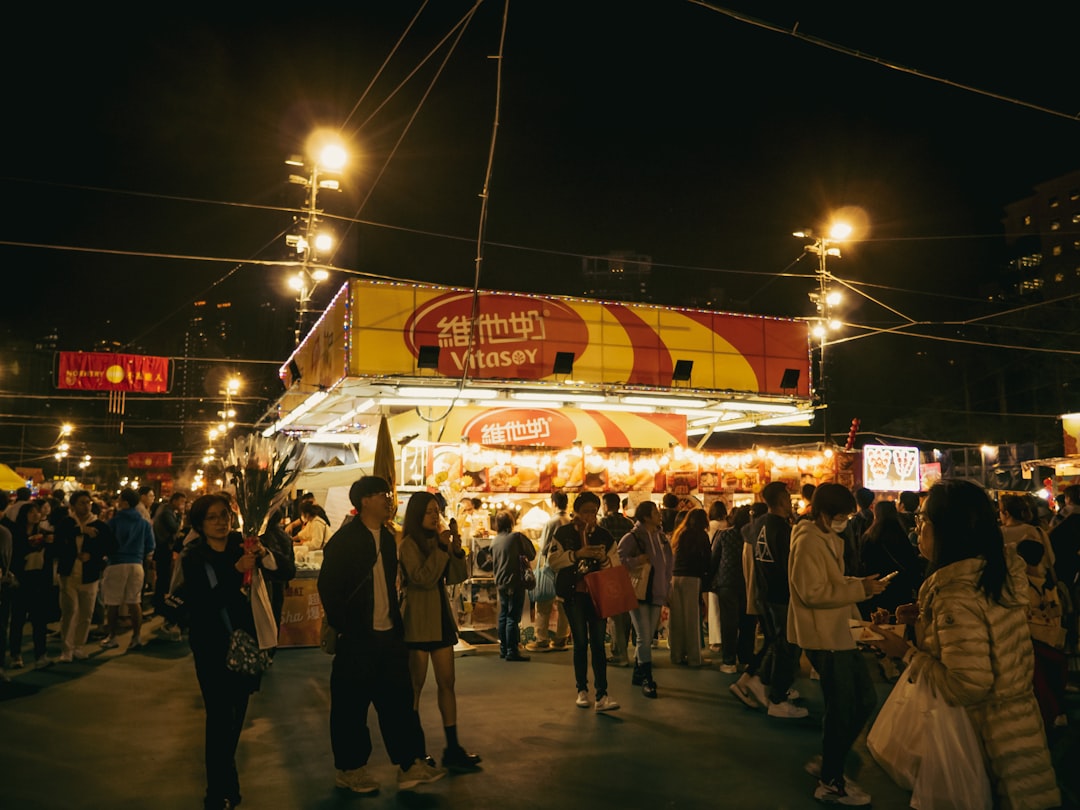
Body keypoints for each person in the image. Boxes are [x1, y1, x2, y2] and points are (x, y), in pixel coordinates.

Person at [871, 479, 1060, 810]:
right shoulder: (993, 572)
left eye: (924, 521)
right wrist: (925, 618)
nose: (919, 529)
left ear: (947, 529)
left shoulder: (956, 592)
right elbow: (984, 631)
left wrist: (905, 653)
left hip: (982, 742)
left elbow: (967, 686)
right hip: (1018, 730)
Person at [318, 476, 446, 795]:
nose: (388, 500)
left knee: (399, 703)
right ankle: (350, 770)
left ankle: (409, 764)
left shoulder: (389, 539)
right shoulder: (345, 540)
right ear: (364, 501)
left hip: (389, 635)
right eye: (382, 495)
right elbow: (328, 587)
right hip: (357, 638)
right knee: (351, 707)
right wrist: (346, 624)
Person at [176, 492, 279, 810]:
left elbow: (281, 570)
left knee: (235, 719)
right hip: (211, 647)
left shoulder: (242, 543)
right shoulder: (194, 556)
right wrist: (236, 570)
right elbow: (204, 603)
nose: (221, 521)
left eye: (225, 515)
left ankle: (225, 784)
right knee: (220, 718)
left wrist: (262, 553)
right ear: (200, 524)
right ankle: (218, 792)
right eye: (213, 517)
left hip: (246, 645)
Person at [788, 483, 886, 807]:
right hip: (824, 638)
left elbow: (832, 583)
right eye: (840, 515)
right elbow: (812, 594)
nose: (844, 521)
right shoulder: (807, 543)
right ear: (822, 513)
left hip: (840, 633)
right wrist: (860, 590)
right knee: (845, 705)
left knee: (858, 701)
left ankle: (831, 761)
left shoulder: (828, 538)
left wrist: (862, 587)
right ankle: (830, 779)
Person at [398, 490, 480, 772]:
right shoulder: (408, 544)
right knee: (414, 689)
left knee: (448, 684)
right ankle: (414, 750)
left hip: (440, 619)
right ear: (417, 514)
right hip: (418, 622)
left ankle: (452, 746)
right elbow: (422, 578)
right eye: (430, 511)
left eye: (437, 511)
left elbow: (456, 577)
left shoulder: (438, 541)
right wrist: (441, 551)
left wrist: (455, 551)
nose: (435, 516)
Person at [548, 491, 621, 711]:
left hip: (597, 594)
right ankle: (582, 690)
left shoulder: (604, 535)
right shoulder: (563, 533)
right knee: (580, 642)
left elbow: (616, 565)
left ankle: (602, 694)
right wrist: (577, 554)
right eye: (586, 511)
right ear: (577, 512)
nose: (590, 515)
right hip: (573, 594)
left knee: (599, 643)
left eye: (593, 511)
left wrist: (603, 559)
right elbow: (552, 560)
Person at [743, 481, 805, 718]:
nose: (790, 503)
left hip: (764, 593)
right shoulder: (782, 529)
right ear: (781, 501)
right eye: (788, 499)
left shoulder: (758, 525)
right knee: (787, 646)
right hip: (782, 594)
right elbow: (791, 566)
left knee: (777, 642)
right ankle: (775, 696)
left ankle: (762, 683)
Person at [618, 500, 673, 699]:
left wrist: (667, 587)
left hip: (657, 592)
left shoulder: (661, 537)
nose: (659, 514)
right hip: (638, 592)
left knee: (648, 636)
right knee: (643, 635)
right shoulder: (632, 537)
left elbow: (668, 563)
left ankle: (638, 671)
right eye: (655, 512)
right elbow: (618, 560)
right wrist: (636, 561)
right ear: (646, 516)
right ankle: (647, 678)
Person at [53, 490, 114, 662]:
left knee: (86, 613)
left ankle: (79, 646)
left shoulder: (100, 525)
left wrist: (92, 556)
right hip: (68, 574)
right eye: (82, 502)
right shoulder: (66, 523)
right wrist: (81, 530)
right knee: (69, 611)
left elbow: (110, 546)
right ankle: (66, 649)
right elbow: (58, 542)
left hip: (90, 575)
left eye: (88, 502)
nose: (86, 506)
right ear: (72, 505)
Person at [1016, 539, 1068, 731]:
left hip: (1035, 638)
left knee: (1041, 679)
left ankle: (1051, 714)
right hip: (1052, 638)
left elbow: (1025, 613)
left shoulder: (1023, 585)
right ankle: (1057, 712)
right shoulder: (1048, 582)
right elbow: (1057, 610)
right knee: (1052, 675)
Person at [101, 488, 155, 652]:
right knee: (135, 601)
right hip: (137, 564)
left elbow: (106, 542)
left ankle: (112, 637)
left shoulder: (115, 522)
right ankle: (136, 637)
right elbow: (150, 546)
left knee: (113, 603)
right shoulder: (144, 523)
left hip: (116, 563)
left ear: (125, 502)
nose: (117, 501)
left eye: (119, 499)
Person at [8, 502, 55, 668]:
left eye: (37, 511)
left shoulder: (44, 533)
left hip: (39, 580)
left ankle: (41, 655)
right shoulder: (16, 533)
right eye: (31, 512)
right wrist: (31, 544)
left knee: (39, 620)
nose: (36, 514)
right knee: (18, 619)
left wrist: (47, 542)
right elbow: (14, 555)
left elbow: (51, 555)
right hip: (21, 580)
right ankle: (15, 654)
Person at [856, 500, 921, 617]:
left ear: (876, 514)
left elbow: (863, 561)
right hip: (900, 586)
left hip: (878, 586)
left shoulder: (869, 536)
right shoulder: (900, 534)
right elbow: (910, 562)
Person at [711, 505, 755, 674]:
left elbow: (714, 558)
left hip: (727, 583)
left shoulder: (724, 534)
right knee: (748, 623)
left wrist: (710, 581)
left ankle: (729, 661)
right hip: (748, 583)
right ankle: (746, 659)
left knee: (729, 624)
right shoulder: (753, 536)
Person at [526, 491, 571, 652]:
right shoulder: (570, 520)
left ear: (553, 503)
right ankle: (561, 638)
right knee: (563, 604)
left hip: (551, 566)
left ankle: (542, 639)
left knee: (543, 602)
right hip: (567, 566)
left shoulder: (552, 521)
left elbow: (544, 545)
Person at [491, 510, 535, 662]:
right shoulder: (516, 537)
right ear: (511, 522)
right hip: (514, 581)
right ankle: (512, 651)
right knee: (512, 616)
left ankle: (503, 649)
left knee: (503, 615)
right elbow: (532, 553)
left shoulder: (494, 540)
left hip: (500, 582)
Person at [668, 508, 711, 667]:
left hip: (675, 577)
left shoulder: (680, 534)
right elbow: (707, 559)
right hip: (692, 578)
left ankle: (677, 655)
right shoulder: (701, 535)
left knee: (677, 618)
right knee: (692, 619)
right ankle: (694, 658)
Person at [599, 492, 634, 666]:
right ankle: (622, 649)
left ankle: (619, 653)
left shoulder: (604, 523)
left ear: (605, 505)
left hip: (609, 571)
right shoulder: (629, 523)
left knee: (614, 614)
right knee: (625, 613)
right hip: (626, 572)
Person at [152, 491, 187, 636]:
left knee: (163, 577)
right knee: (164, 577)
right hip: (163, 548)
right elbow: (174, 528)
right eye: (181, 502)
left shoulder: (165, 510)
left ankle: (159, 603)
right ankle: (160, 604)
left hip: (162, 548)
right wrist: (180, 517)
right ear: (174, 500)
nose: (182, 505)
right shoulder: (167, 512)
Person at [704, 499, 729, 653]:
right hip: (727, 570)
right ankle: (728, 639)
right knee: (727, 607)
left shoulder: (708, 529)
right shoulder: (729, 527)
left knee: (713, 607)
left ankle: (715, 641)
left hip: (711, 569)